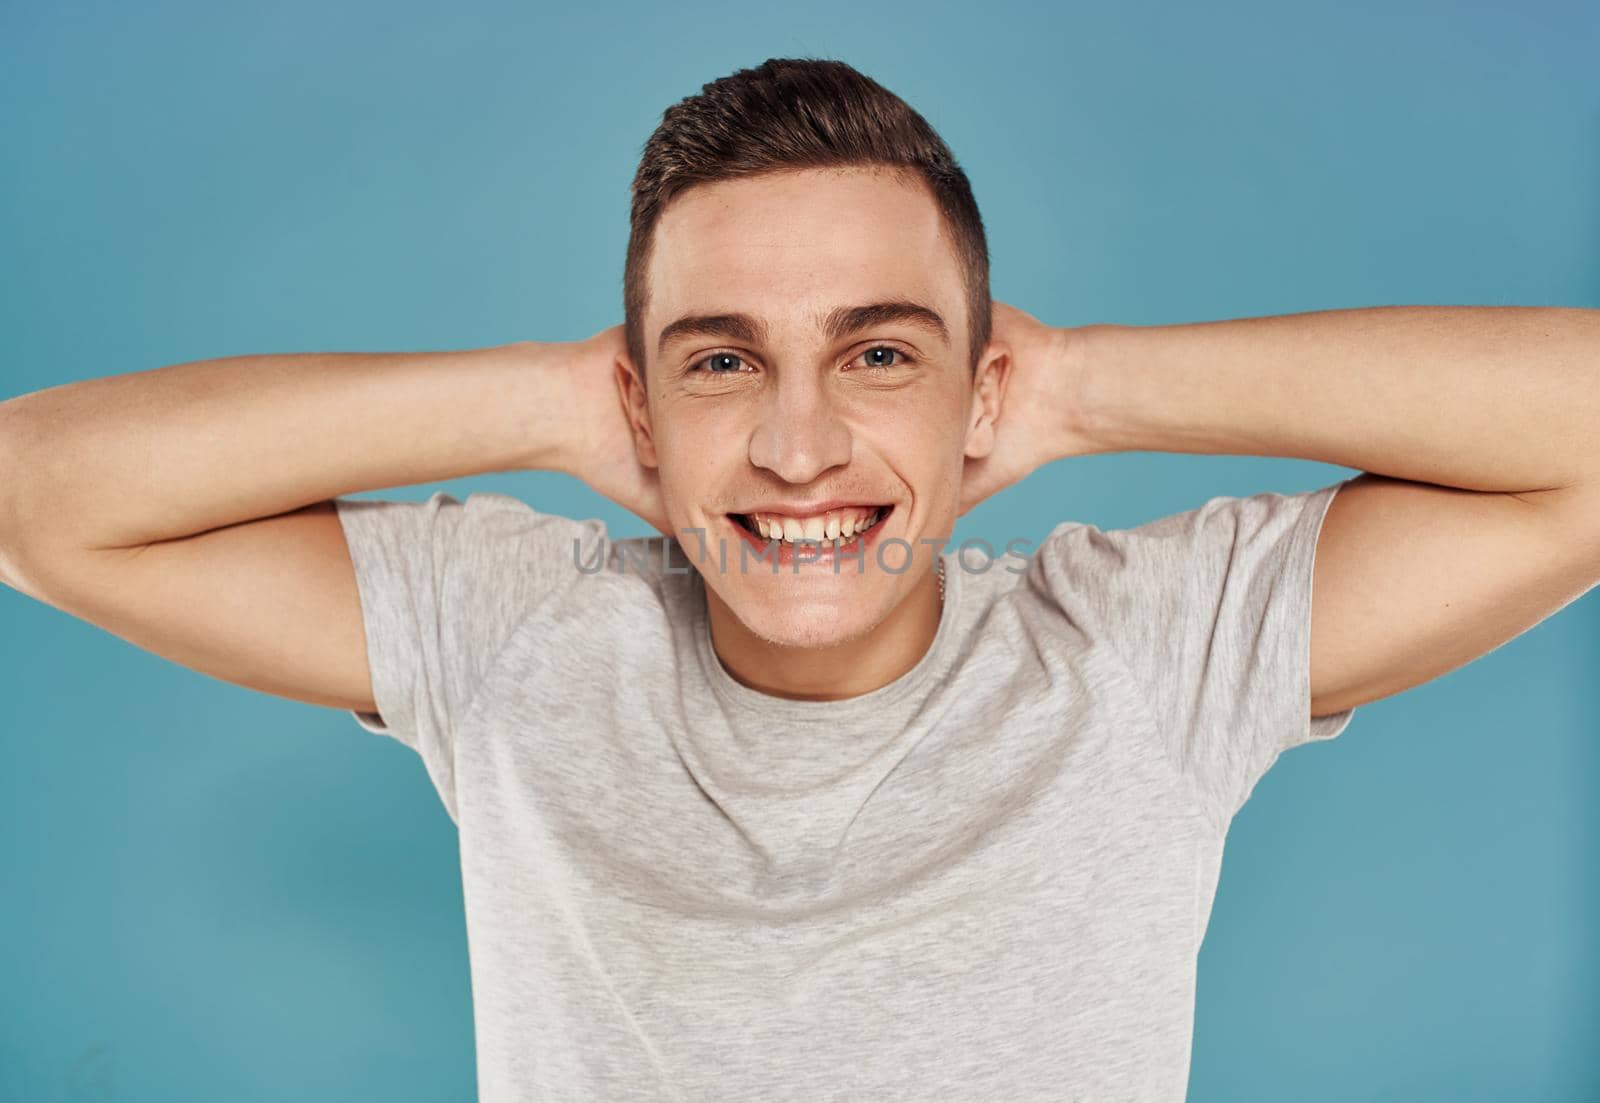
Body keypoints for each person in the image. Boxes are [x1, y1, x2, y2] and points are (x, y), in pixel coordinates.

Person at [2, 56, 1597, 1103]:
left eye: (879, 354)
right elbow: (34, 502)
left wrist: (1088, 384)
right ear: (641, 404)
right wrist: (548, 402)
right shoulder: (517, 631)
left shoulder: (1143, 652)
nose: (797, 444)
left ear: (981, 393)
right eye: (720, 364)